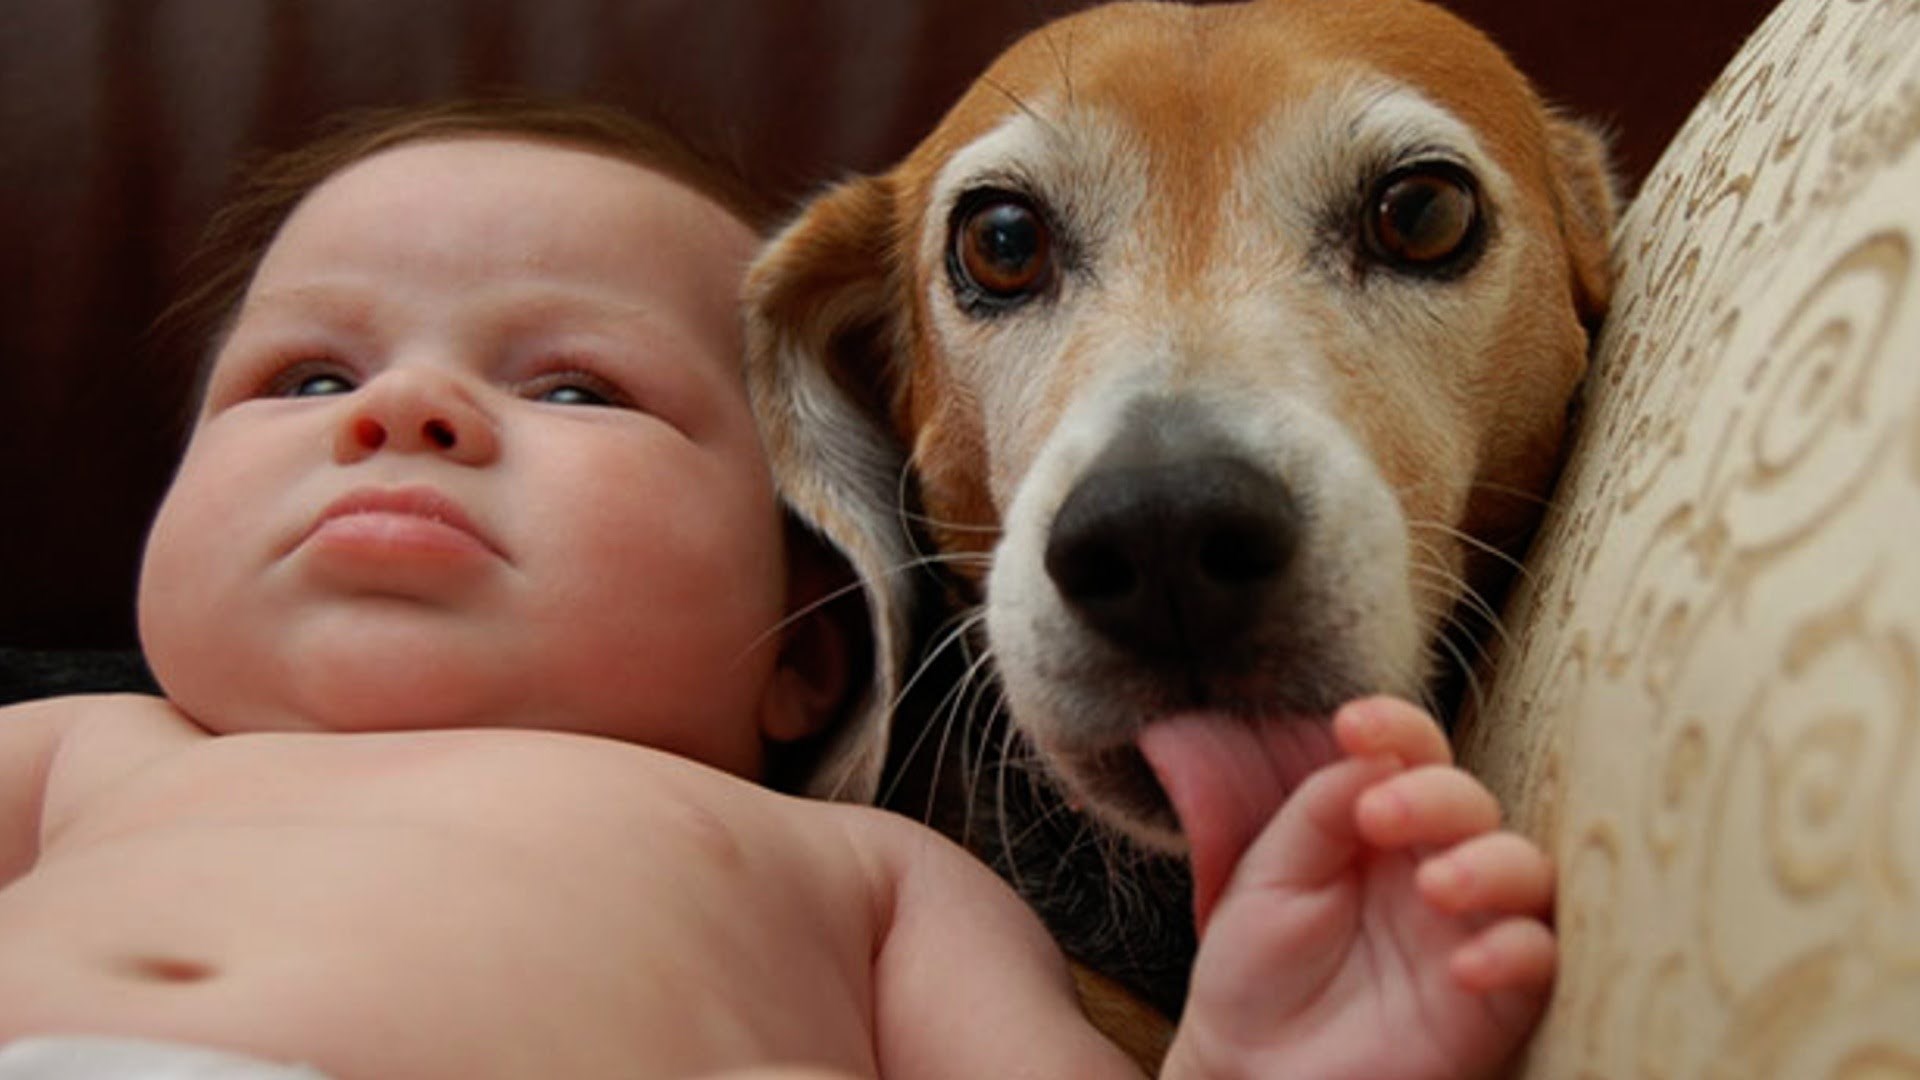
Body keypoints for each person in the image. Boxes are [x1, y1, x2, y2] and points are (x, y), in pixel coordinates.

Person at [0, 99, 1556, 1079]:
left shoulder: (870, 879)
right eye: (305, 373)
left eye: (576, 390)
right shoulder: (82, 757)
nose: (403, 411)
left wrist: (1245, 1052)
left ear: (813, 640)